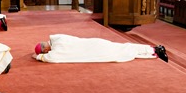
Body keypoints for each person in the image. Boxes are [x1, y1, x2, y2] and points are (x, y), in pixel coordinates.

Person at [32, 34, 169, 63]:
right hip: (95, 44)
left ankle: (153, 50)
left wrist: (38, 57)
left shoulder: (57, 49)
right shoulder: (58, 40)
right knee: (122, 47)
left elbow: (52, 59)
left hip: (95, 48)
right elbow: (53, 38)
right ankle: (153, 49)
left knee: (122, 50)